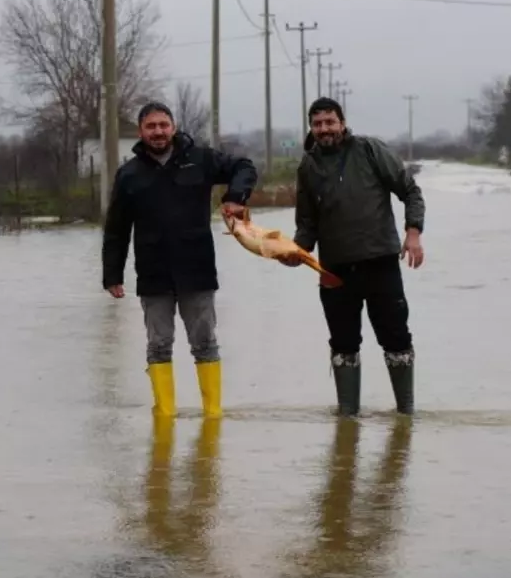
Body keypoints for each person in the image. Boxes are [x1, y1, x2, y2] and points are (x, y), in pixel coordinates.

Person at [102, 102, 258, 420]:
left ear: (173, 127)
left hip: (197, 269)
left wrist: (235, 197)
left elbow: (245, 166)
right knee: (158, 344)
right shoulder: (129, 174)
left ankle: (212, 416)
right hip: (153, 273)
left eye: (163, 125)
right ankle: (165, 417)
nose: (158, 131)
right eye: (151, 126)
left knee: (205, 342)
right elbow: (116, 229)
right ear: (141, 131)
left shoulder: (200, 159)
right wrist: (112, 275)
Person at [279, 97, 424, 416]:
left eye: (330, 122)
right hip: (334, 271)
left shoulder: (370, 150)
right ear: (311, 128)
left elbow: (410, 190)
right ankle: (347, 419)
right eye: (317, 124)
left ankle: (406, 415)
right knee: (343, 344)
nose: (324, 129)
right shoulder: (308, 166)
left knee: (396, 337)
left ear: (342, 123)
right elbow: (307, 223)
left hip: (380, 263)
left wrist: (413, 233)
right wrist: (296, 251)